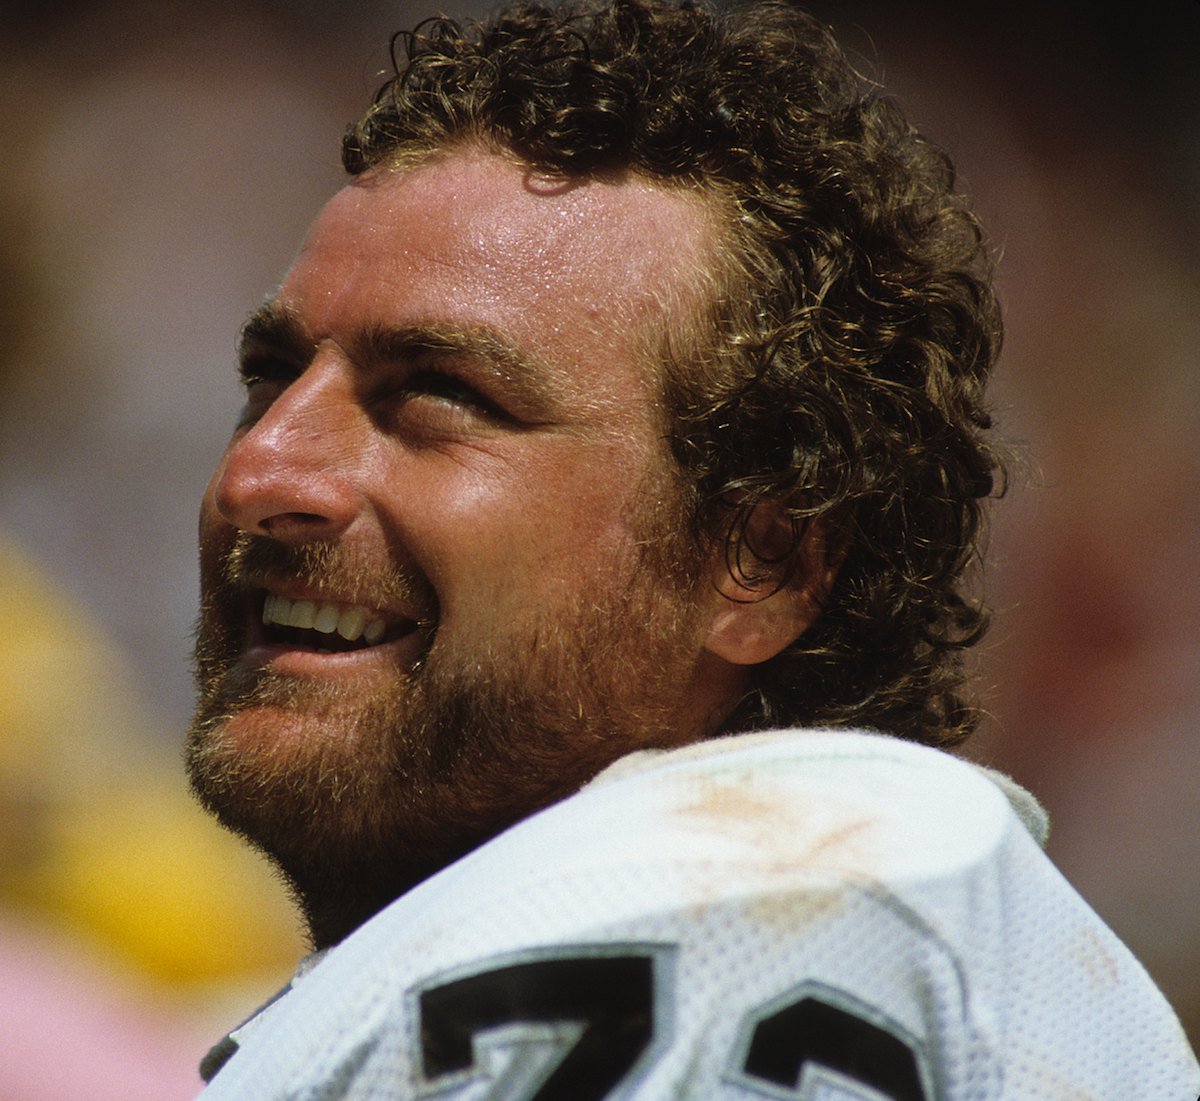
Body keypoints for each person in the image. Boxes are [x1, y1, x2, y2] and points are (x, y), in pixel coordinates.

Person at [186, 0, 1200, 1096]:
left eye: (439, 396)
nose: (259, 475)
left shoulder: (756, 904)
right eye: (268, 380)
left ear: (761, 559)